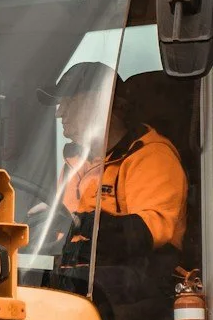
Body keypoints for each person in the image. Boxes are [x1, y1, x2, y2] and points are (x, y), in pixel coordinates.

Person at [52, 62, 188, 268]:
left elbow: (148, 233)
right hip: (73, 281)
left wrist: (84, 225)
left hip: (133, 289)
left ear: (101, 104)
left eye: (68, 102)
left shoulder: (151, 156)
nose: (59, 113)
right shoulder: (76, 162)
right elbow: (62, 228)